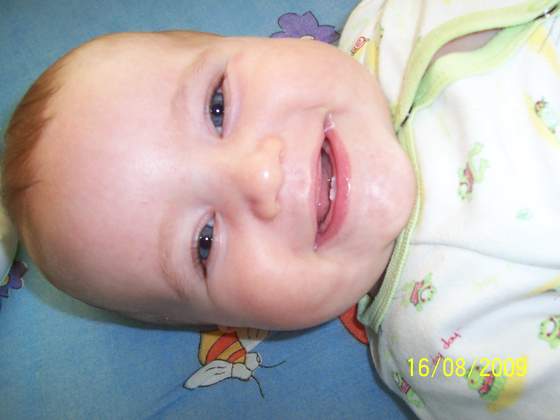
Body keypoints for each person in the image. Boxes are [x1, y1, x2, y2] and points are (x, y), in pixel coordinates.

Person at [2, 0, 559, 418]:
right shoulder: (448, 357)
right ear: (236, 323)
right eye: (204, 244)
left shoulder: (400, 23)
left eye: (217, 105)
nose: (260, 176)